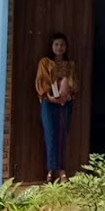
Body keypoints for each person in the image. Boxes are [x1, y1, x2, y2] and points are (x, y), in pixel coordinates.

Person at [34, 32, 79, 183]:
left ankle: (61, 170)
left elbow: (74, 84)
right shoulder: (45, 63)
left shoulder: (70, 65)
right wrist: (50, 97)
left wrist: (66, 96)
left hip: (65, 103)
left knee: (62, 134)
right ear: (52, 46)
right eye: (57, 45)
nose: (60, 48)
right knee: (51, 134)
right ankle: (51, 170)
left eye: (62, 45)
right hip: (49, 103)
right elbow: (42, 81)